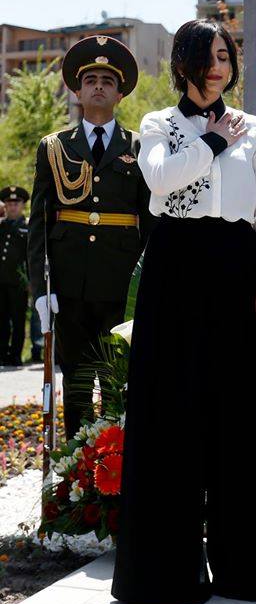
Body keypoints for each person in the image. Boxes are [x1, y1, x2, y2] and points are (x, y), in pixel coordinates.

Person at [112, 19, 256, 604]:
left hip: (236, 269)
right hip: (175, 268)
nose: (218, 66)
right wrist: (214, 141)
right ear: (184, 63)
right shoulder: (157, 125)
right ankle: (165, 575)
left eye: (225, 55)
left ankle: (251, 570)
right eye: (207, 55)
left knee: (245, 416)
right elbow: (162, 181)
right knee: (170, 413)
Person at [28, 35, 154, 438]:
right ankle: (76, 476)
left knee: (119, 381)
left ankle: (118, 476)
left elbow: (150, 223)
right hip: (70, 285)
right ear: (78, 90)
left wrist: (151, 284)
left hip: (121, 286)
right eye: (91, 80)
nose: (98, 85)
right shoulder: (53, 147)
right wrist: (39, 290)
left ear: (119, 94)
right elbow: (39, 225)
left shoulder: (140, 146)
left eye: (107, 80)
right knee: (77, 383)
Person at [0, 187, 29, 366]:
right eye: (9, 204)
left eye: (16, 203)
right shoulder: (1, 226)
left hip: (19, 283)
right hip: (1, 281)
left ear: (22, 205)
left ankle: (16, 355)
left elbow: (31, 255)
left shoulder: (27, 227)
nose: (12, 207)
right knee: (2, 319)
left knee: (18, 320)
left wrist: (32, 280)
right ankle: (2, 353)